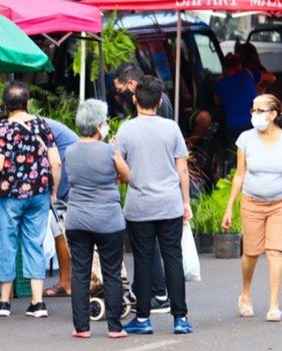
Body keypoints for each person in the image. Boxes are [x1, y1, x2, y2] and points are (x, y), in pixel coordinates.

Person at [0, 81, 62, 318]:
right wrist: (53, 191)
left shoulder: (4, 128)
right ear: (27, 102)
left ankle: (4, 303)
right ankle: (37, 303)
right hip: (39, 194)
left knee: (6, 242)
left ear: (6, 106)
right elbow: (56, 163)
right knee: (33, 242)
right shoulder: (42, 125)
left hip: (9, 195)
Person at [222, 94, 282, 322]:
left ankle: (274, 305)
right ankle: (245, 295)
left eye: (260, 110)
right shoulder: (245, 139)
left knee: (275, 252)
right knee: (251, 254)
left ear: (273, 114)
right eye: (253, 110)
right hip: (252, 202)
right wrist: (229, 207)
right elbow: (240, 174)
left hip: (280, 203)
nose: (255, 114)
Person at [115, 75, 194, 335]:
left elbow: (119, 166)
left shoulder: (126, 129)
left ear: (135, 100)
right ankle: (180, 319)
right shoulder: (171, 128)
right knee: (173, 258)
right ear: (160, 102)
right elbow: (182, 168)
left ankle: (143, 319)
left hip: (139, 207)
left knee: (144, 260)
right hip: (170, 204)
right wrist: (186, 202)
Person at [64, 99, 130, 339]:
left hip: (77, 219)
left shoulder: (69, 151)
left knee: (80, 273)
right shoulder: (110, 151)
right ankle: (115, 327)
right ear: (97, 125)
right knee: (111, 272)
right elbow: (127, 175)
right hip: (108, 220)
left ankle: (81, 327)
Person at [113, 63, 173, 314]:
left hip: (152, 182)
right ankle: (150, 290)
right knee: (150, 244)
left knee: (150, 243)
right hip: (156, 181)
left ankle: (158, 292)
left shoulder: (158, 105)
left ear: (131, 85)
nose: (122, 96)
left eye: (121, 90)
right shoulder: (158, 102)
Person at [41, 117, 79, 298]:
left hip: (66, 169)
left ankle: (66, 283)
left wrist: (53, 191)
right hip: (69, 166)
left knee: (60, 228)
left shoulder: (35, 126)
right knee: (63, 229)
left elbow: (54, 162)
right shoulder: (39, 123)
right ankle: (70, 281)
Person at [214, 53, 258, 145]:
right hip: (252, 123)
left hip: (233, 127)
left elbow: (216, 102)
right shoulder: (247, 75)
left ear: (224, 68)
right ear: (239, 65)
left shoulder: (220, 84)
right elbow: (271, 77)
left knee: (235, 153)